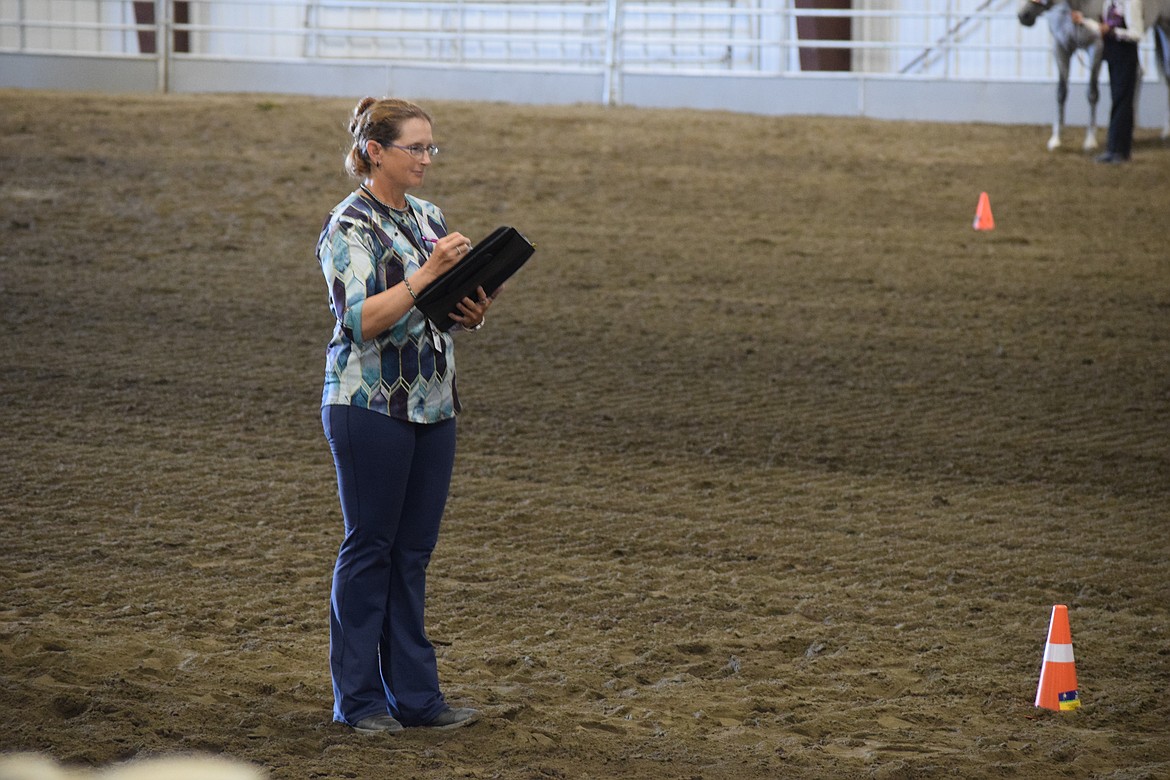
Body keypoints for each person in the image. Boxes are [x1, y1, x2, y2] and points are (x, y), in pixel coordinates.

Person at [316, 96, 494, 734]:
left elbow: (431, 308)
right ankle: (359, 701)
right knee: (370, 549)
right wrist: (428, 275)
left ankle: (417, 700)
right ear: (375, 152)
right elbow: (362, 320)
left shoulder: (427, 215)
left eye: (429, 147)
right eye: (414, 147)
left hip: (431, 403)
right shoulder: (347, 226)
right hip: (368, 405)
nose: (426, 158)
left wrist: (468, 306)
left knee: (411, 553)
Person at [1072, 0, 1146, 163]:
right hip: (1114, 55)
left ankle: (1121, 151)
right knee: (1117, 101)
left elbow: (1137, 33)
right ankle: (1113, 149)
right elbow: (1102, 28)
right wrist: (1083, 21)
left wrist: (1113, 32)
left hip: (1126, 55)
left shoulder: (1131, 3)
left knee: (1123, 102)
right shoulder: (1109, 3)